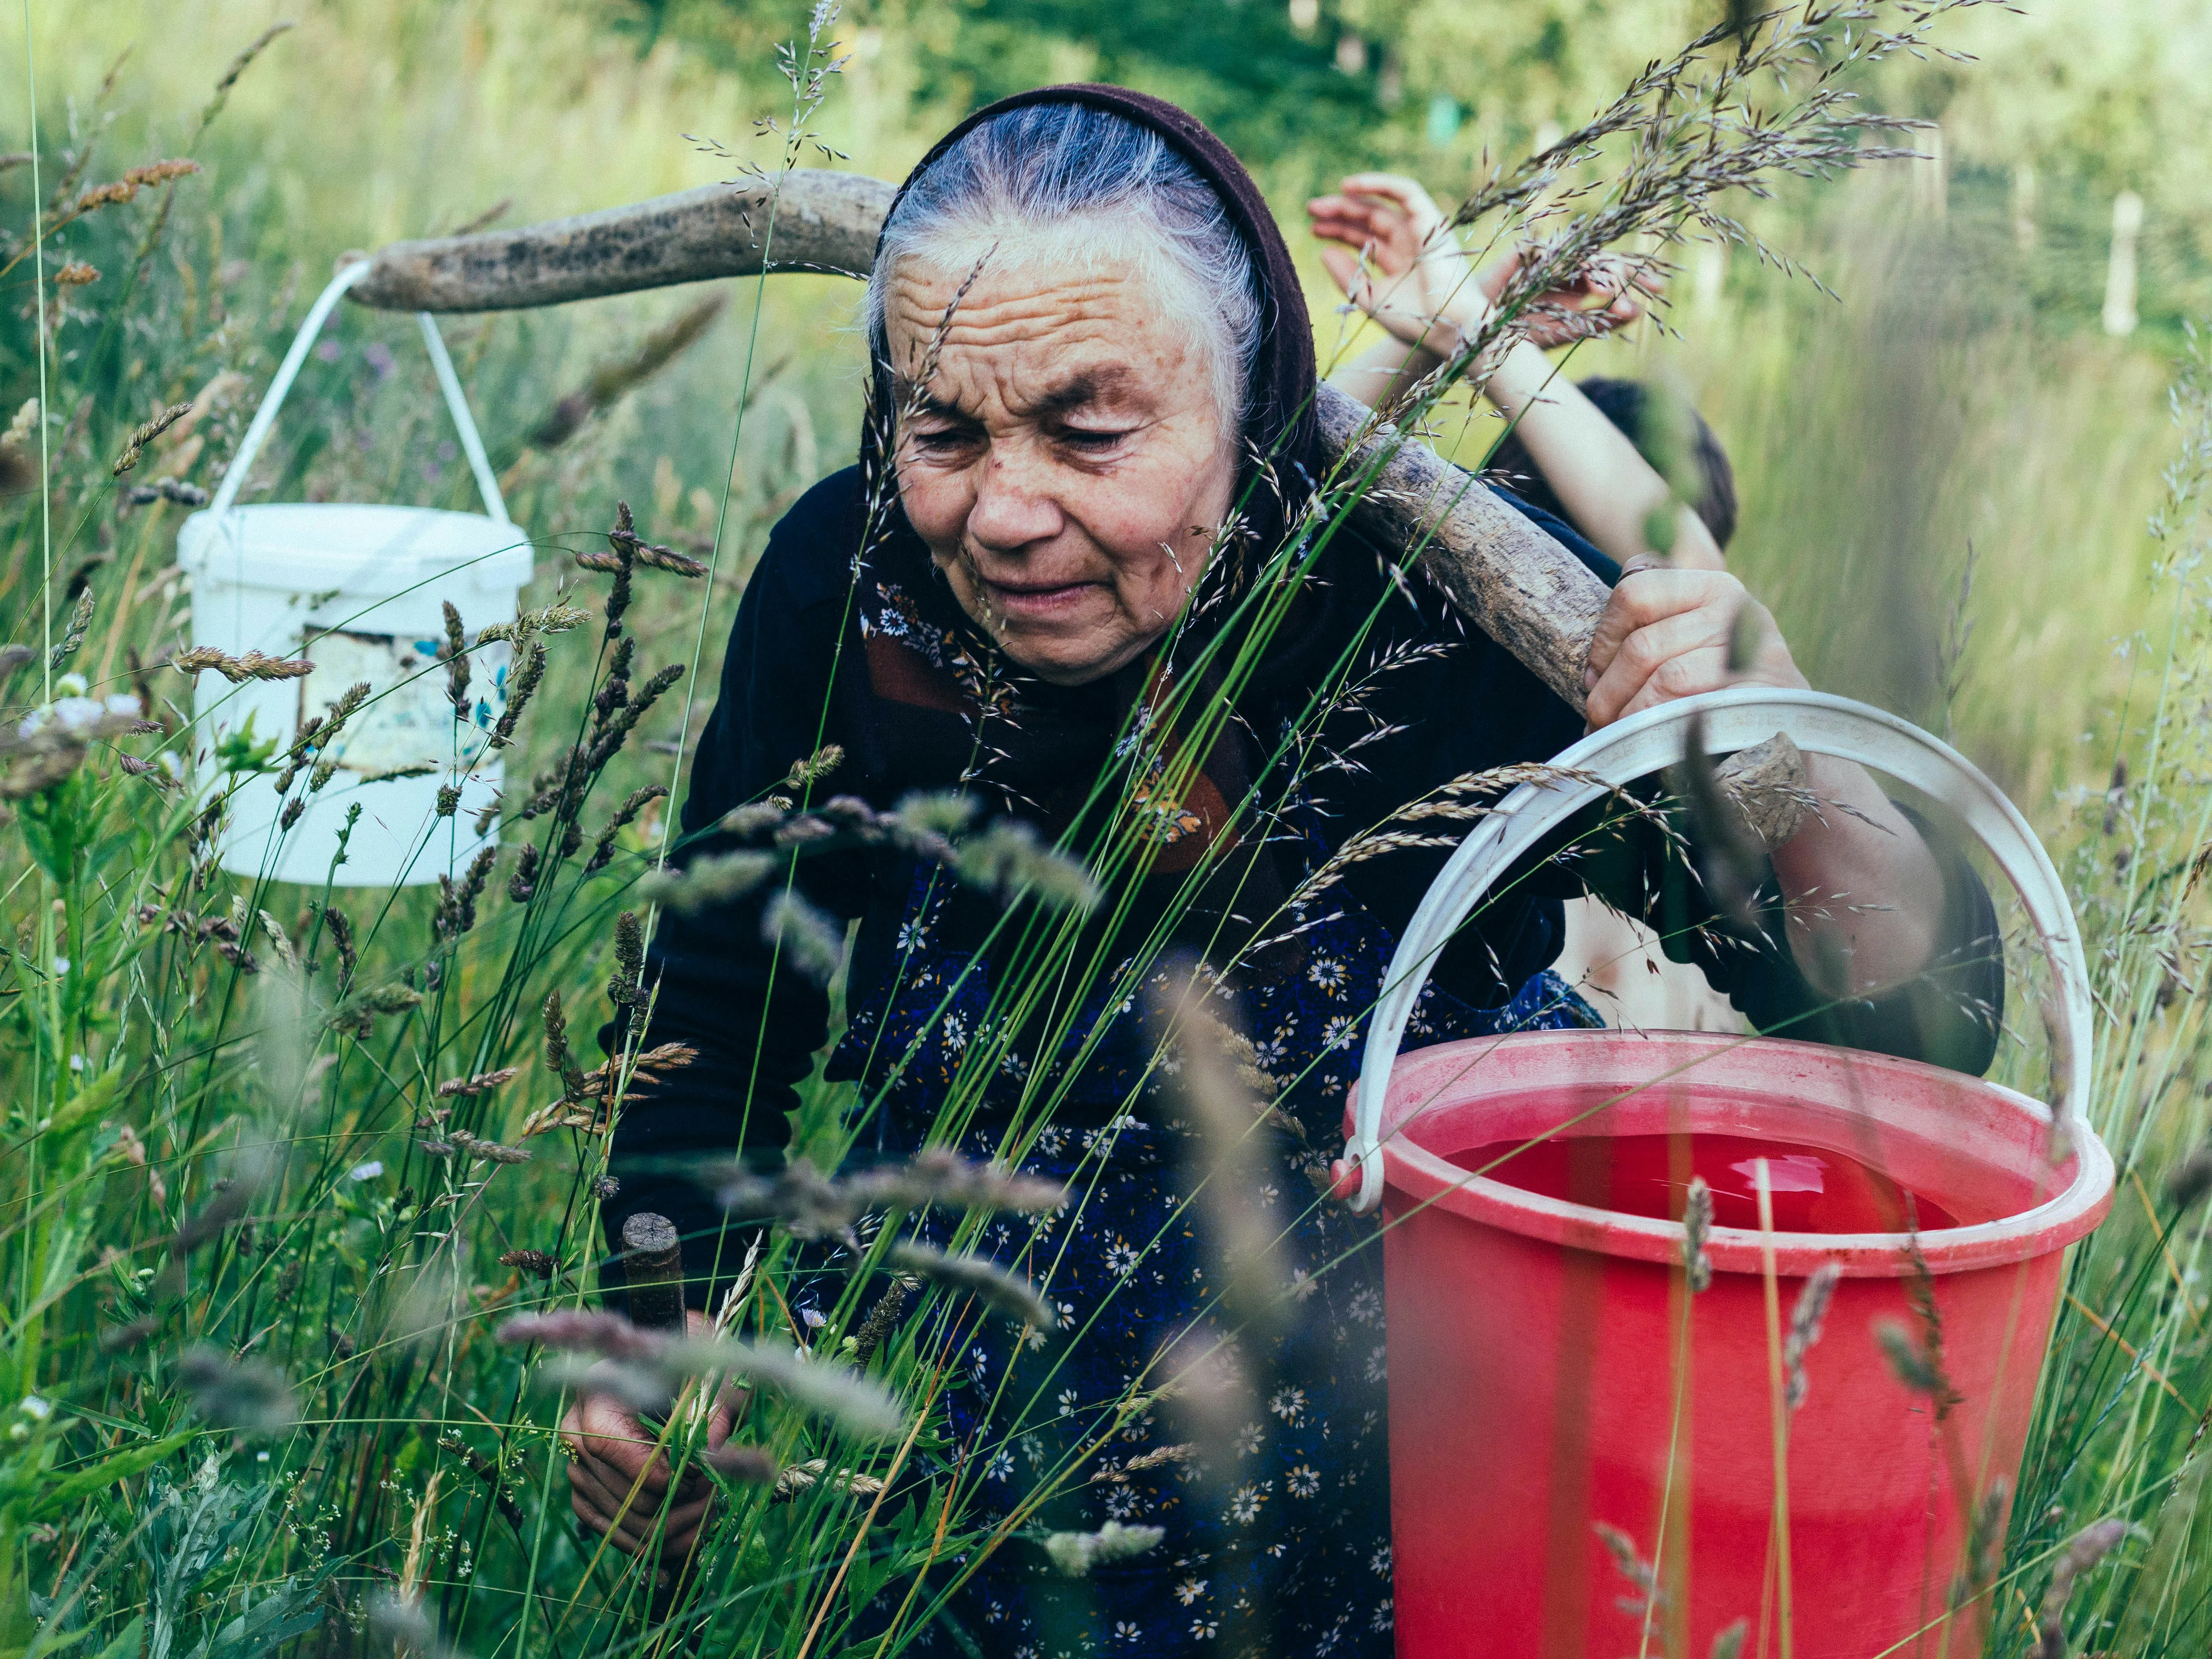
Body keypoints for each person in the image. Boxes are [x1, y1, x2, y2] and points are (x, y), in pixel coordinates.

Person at [565, 87, 2001, 1659]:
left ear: (1254, 409)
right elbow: (717, 996)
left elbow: (1916, 1025)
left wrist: (1782, 767)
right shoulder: (852, 594)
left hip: (1422, 1509)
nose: (1006, 511)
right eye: (945, 427)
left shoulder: (1431, 620)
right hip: (952, 1496)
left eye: (1087, 428)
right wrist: (661, 1313)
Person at [1311, 171, 1749, 1031]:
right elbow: (1693, 574)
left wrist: (1467, 324)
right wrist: (1481, 333)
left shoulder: (1353, 607)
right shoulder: (1579, 703)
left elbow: (1280, 474)